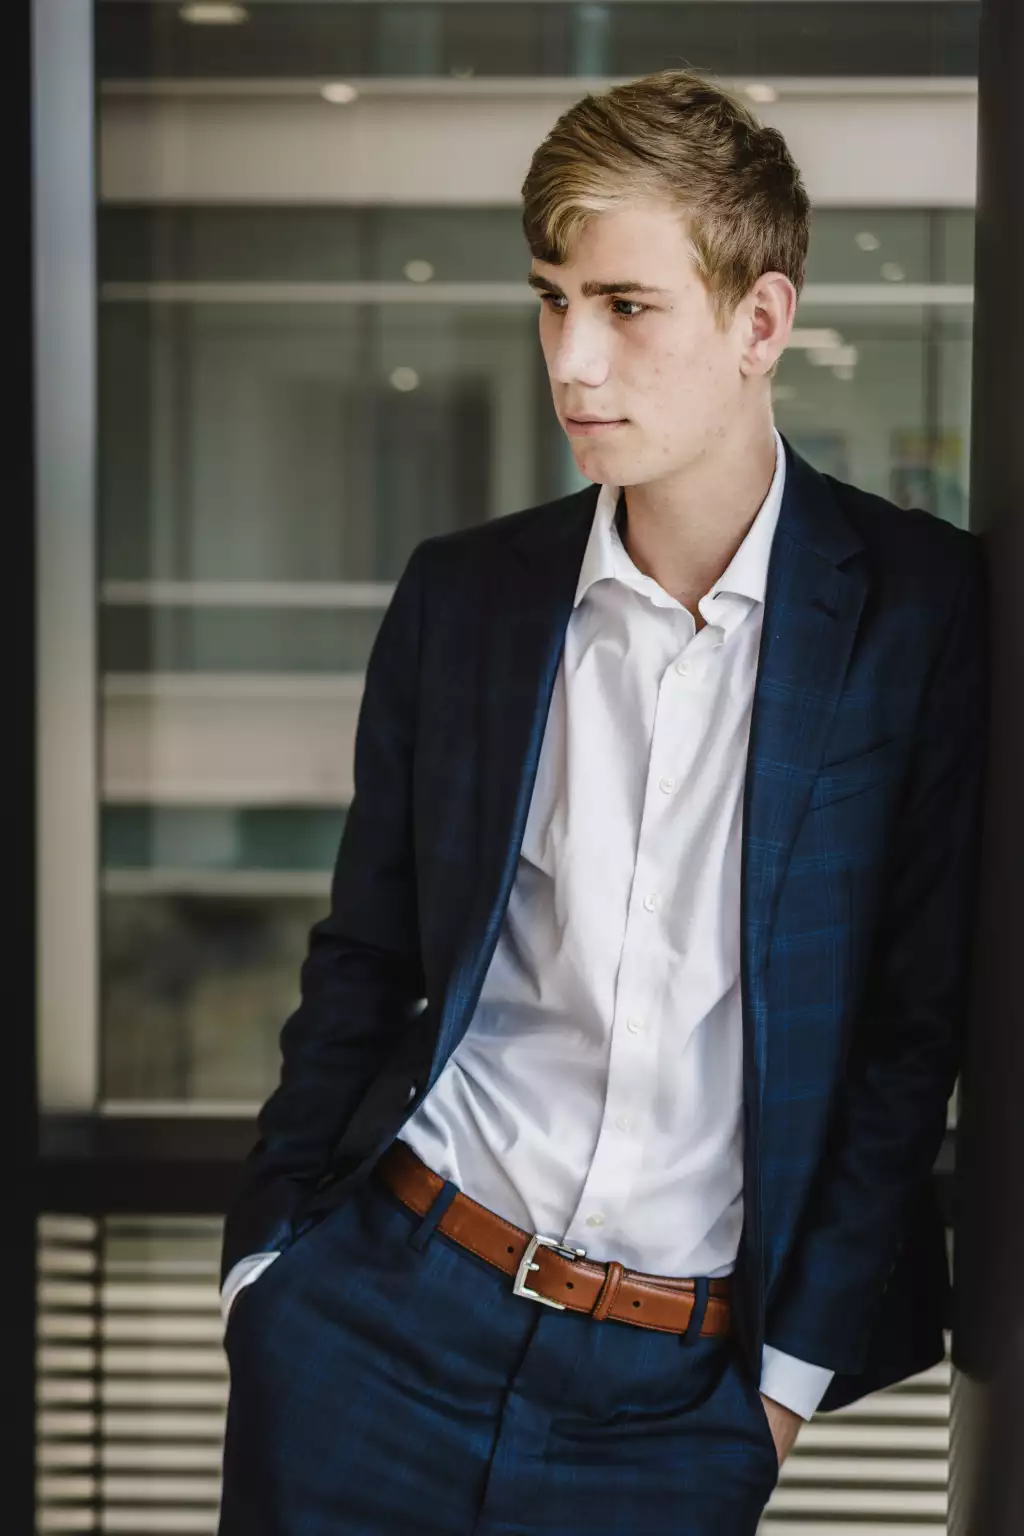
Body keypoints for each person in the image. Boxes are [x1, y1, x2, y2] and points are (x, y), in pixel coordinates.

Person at [217, 69, 986, 1536]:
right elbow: (366, 953)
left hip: (677, 1402)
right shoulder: (467, 596)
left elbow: (911, 1028)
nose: (573, 360)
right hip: (377, 1319)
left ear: (760, 321)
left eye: (627, 306)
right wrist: (268, 1269)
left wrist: (781, 1389)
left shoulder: (918, 610)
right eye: (553, 299)